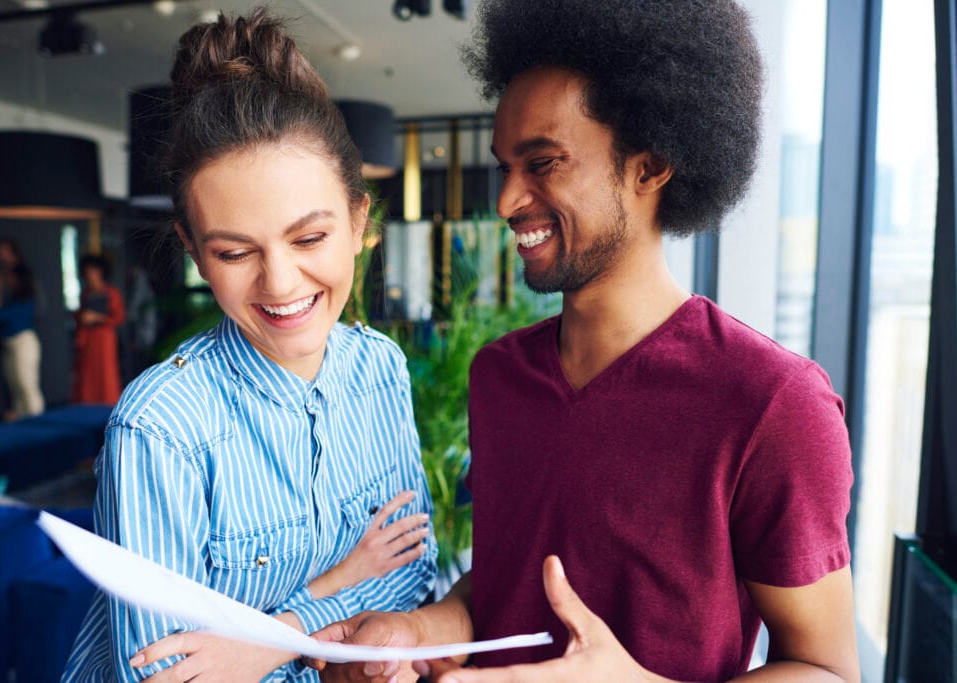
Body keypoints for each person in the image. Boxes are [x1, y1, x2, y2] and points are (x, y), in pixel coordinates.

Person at [309, 1, 859, 682]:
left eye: (543, 162)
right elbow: (507, 584)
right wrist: (416, 631)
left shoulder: (773, 403)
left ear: (650, 165)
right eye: (506, 165)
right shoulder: (499, 375)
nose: (508, 200)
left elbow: (826, 669)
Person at [62, 8, 437, 682]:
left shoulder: (380, 367)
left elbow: (411, 578)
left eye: (310, 238)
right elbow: (171, 674)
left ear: (359, 221)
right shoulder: (162, 428)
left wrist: (269, 637)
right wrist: (337, 591)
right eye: (235, 251)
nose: (281, 282)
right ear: (196, 255)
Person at [0, 262, 45, 420]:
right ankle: (23, 429)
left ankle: (40, 427)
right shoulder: (13, 299)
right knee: (16, 389)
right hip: (9, 345)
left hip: (24, 344)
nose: (8, 280)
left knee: (27, 386)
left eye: (11, 276)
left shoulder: (27, 300)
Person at [72, 254, 126, 405]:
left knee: (106, 372)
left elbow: (119, 317)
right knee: (87, 372)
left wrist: (96, 318)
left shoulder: (111, 293)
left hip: (104, 338)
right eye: (88, 272)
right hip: (88, 338)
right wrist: (81, 317)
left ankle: (108, 404)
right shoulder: (86, 294)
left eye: (94, 272)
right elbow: (79, 315)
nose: (91, 276)